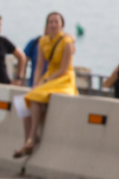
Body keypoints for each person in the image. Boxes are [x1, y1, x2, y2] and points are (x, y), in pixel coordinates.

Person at [14, 12, 76, 158]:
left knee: (35, 96)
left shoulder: (67, 43)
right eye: (50, 22)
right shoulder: (43, 41)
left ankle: (33, 137)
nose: (53, 25)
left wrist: (45, 82)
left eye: (56, 22)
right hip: (49, 75)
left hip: (63, 78)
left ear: (62, 25)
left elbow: (63, 69)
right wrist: (36, 82)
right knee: (25, 99)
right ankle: (27, 139)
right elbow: (39, 66)